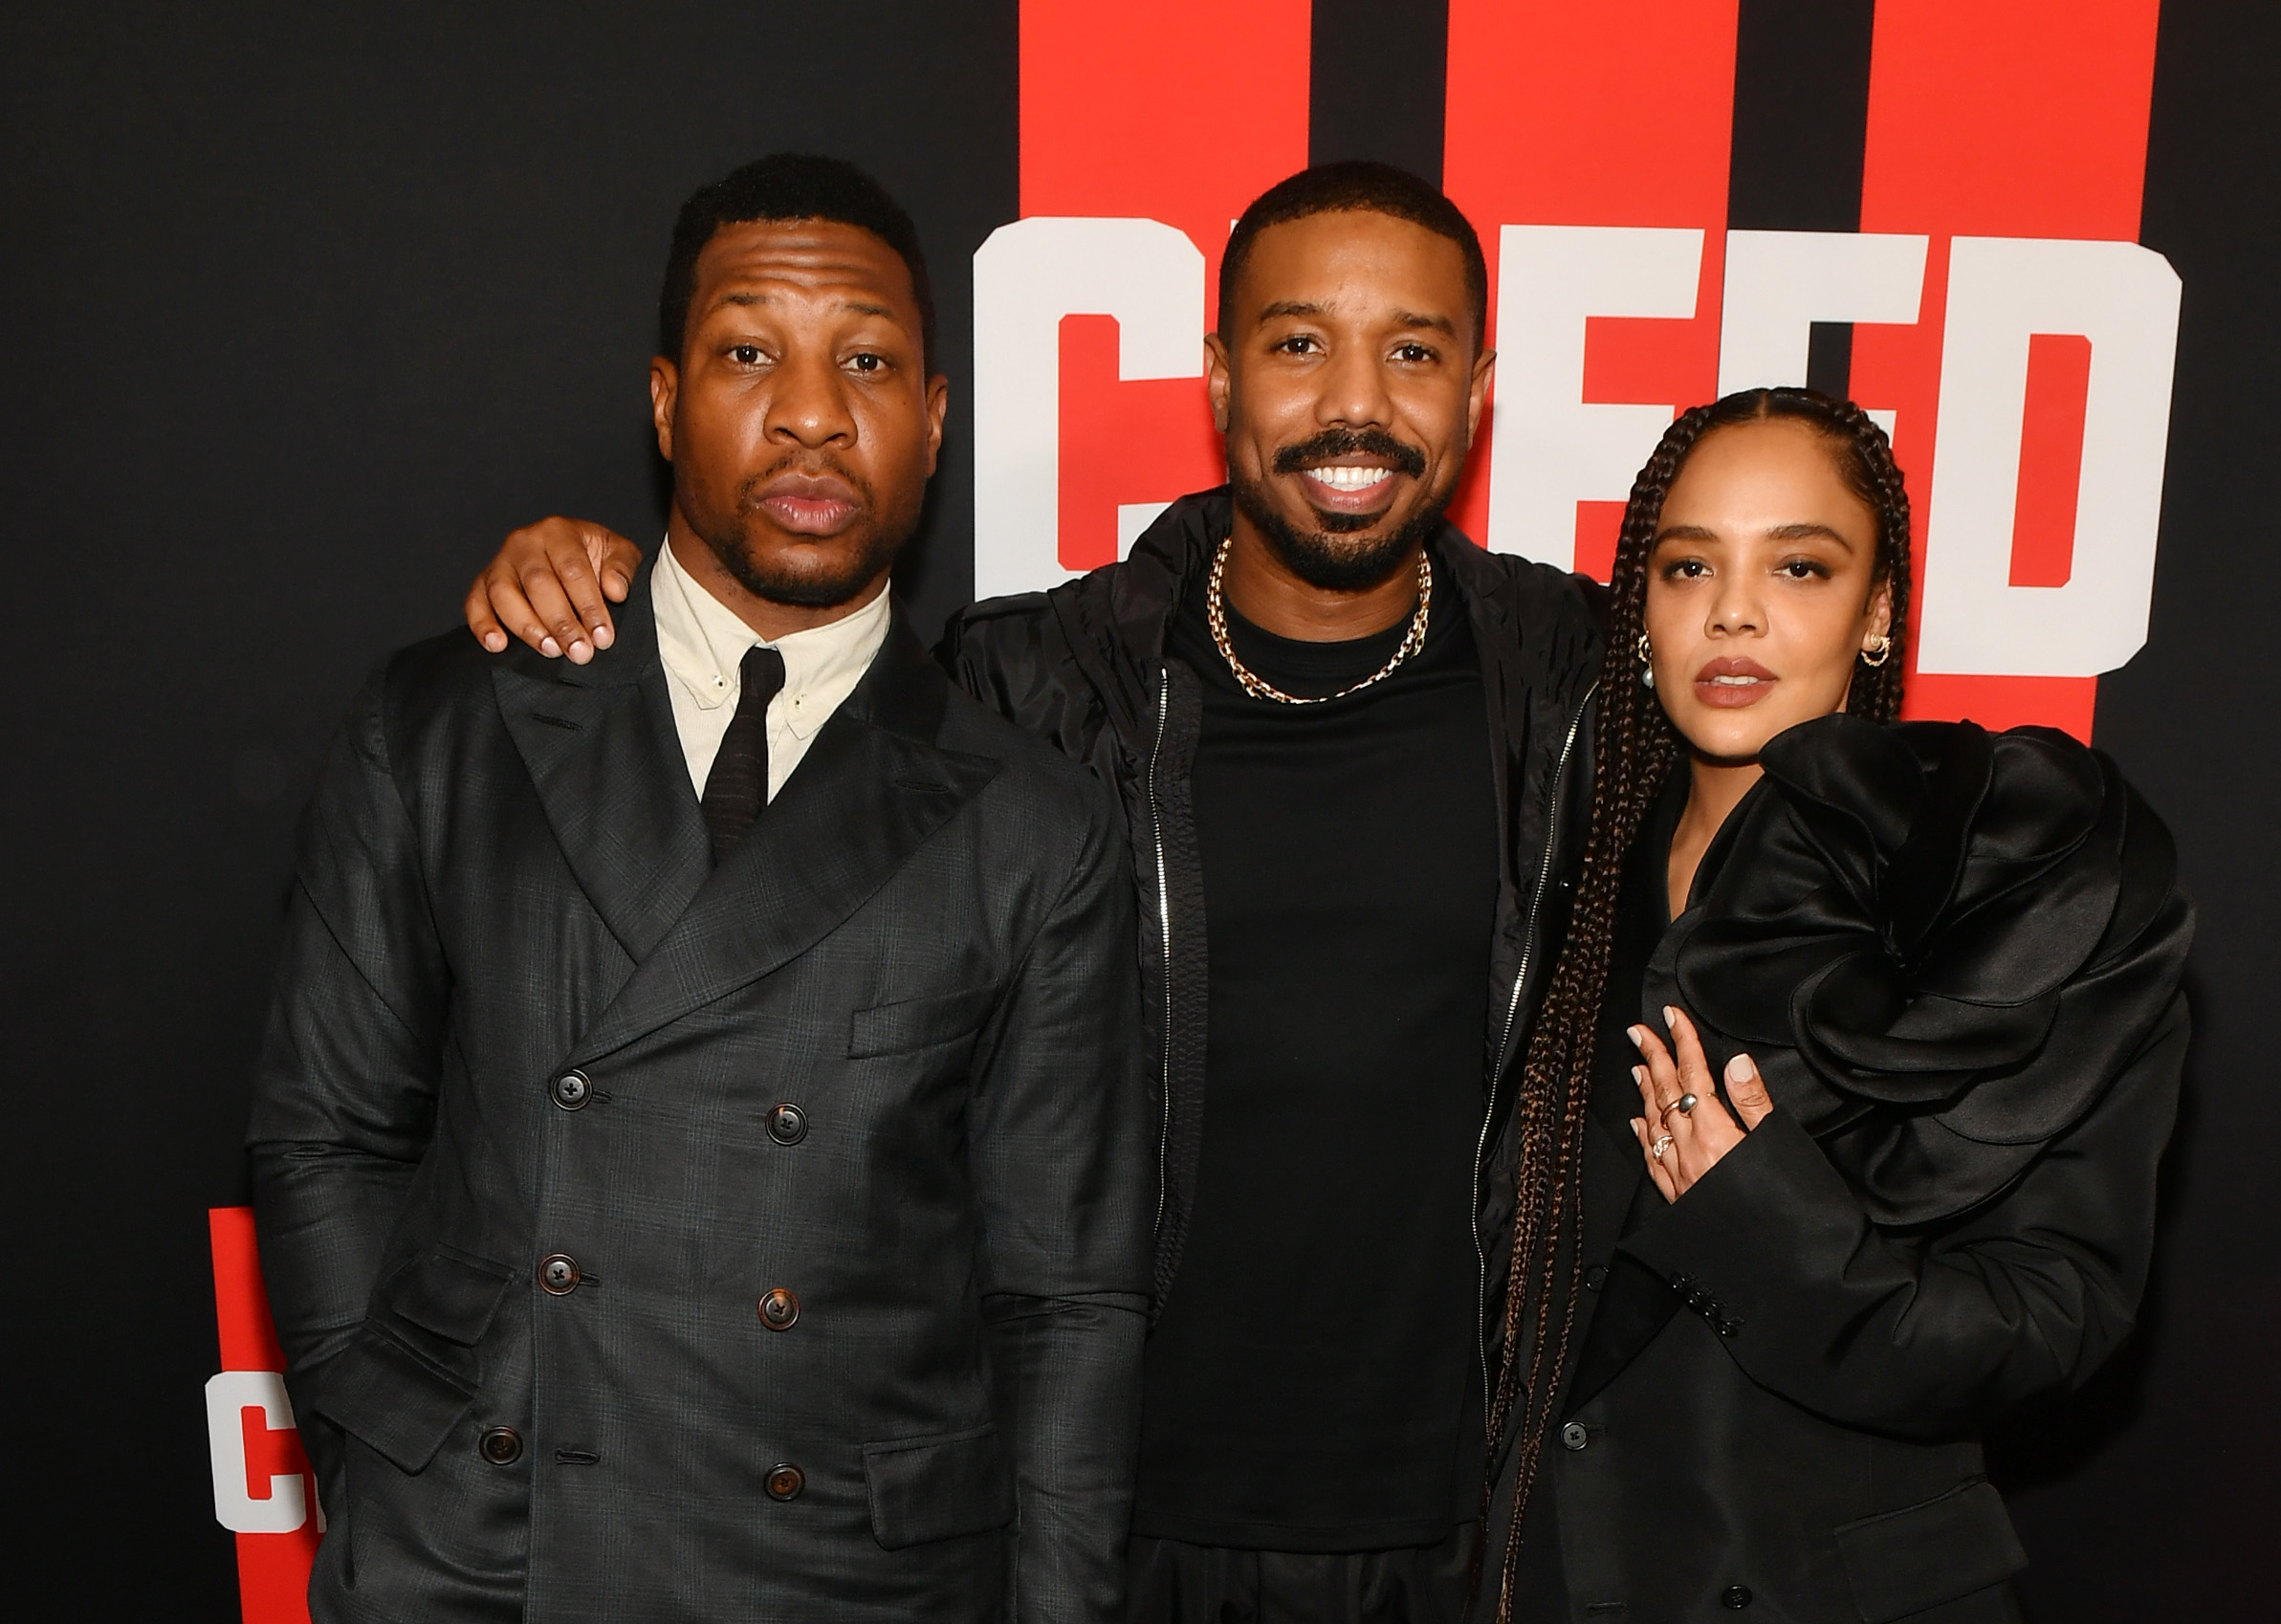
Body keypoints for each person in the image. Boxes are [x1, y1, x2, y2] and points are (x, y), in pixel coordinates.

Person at [462, 162, 1606, 1624]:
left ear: (1479, 386)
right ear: (1219, 375)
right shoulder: (1035, 679)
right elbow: (760, 806)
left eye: (1416, 349)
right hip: (1099, 1518)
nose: (1354, 401)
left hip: (1470, 1529)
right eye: (1300, 342)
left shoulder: (1576, 684)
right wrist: (602, 592)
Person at [248, 153, 1152, 1624]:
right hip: (492, 1552)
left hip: (846, 1580)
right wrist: (385, 1453)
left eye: (866, 360)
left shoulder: (1035, 823)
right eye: (751, 353)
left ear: (932, 424)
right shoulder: (443, 724)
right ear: (667, 403)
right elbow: (324, 1136)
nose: (811, 409)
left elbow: (1065, 1302)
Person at [1482, 389, 2193, 1624]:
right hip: (1539, 1576)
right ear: (1641, 609)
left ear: (1875, 610)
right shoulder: (1555, 870)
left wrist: (1764, 1218)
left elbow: (2049, 1320)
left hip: (1836, 1590)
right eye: (1688, 562)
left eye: (1799, 564)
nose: (1734, 609)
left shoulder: (2006, 884)